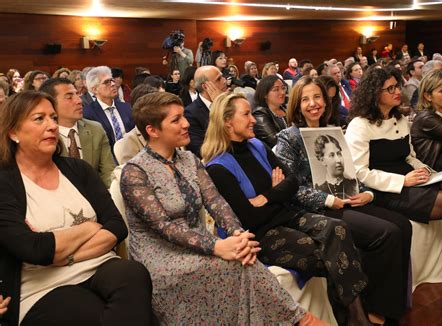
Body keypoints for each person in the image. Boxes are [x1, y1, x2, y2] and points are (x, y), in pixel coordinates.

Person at [120, 91, 325, 326]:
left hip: (197, 243)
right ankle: (301, 320)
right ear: (152, 130)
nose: (187, 124)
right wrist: (216, 245)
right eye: (176, 120)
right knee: (241, 264)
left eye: (184, 117)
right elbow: (163, 227)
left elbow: (217, 203)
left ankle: (297, 320)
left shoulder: (189, 160)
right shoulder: (135, 171)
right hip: (161, 255)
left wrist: (238, 236)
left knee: (244, 257)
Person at [202, 92, 376, 326]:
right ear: (226, 122)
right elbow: (249, 217)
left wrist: (267, 196)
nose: (253, 120)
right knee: (330, 254)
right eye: (246, 115)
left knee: (339, 229)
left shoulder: (256, 145)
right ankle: (354, 316)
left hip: (287, 216)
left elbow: (292, 181)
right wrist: (277, 191)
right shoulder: (218, 167)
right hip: (260, 234)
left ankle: (355, 318)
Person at [0, 91, 155, 326]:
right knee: (93, 310)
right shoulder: (5, 182)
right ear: (13, 132)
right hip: (43, 284)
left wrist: (66, 256)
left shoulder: (78, 169)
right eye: (39, 119)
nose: (52, 126)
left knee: (133, 273)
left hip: (97, 264)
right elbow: (35, 250)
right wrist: (90, 227)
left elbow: (116, 226)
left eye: (53, 118)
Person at [275, 76, 412, 325]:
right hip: (318, 208)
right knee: (387, 232)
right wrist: (328, 200)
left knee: (403, 224)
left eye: (317, 97)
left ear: (326, 102)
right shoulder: (289, 137)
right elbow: (290, 187)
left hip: (347, 199)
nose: (313, 103)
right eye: (305, 99)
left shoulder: (334, 129)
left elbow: (351, 173)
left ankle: (392, 306)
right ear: (296, 104)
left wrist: (367, 193)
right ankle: (377, 309)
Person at [345, 66, 442, 307]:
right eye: (390, 88)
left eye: (397, 86)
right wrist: (403, 180)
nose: (397, 92)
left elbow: (409, 156)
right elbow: (360, 173)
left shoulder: (400, 119)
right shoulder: (359, 125)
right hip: (387, 189)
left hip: (412, 178)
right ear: (374, 93)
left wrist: (424, 169)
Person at [40, 78, 116, 187]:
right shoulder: (44, 135)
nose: (79, 101)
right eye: (69, 97)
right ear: (51, 104)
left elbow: (108, 172)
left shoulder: (95, 129)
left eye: (77, 94)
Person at [252, 75, 288, 148]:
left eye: (283, 88)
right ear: (265, 94)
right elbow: (274, 141)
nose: (282, 92)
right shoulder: (259, 114)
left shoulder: (286, 109)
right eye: (276, 89)